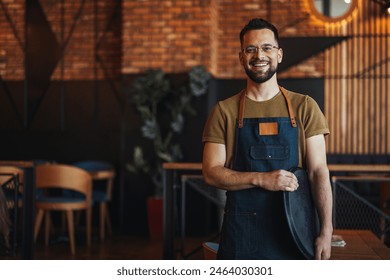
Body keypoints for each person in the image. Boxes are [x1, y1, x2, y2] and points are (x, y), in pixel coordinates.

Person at [202, 18, 333, 260]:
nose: (258, 55)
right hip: (241, 234)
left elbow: (318, 172)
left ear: (279, 54)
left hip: (296, 232)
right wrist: (262, 179)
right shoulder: (224, 111)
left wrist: (326, 230)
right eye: (250, 49)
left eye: (266, 47)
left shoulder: (304, 107)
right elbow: (211, 172)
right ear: (241, 57)